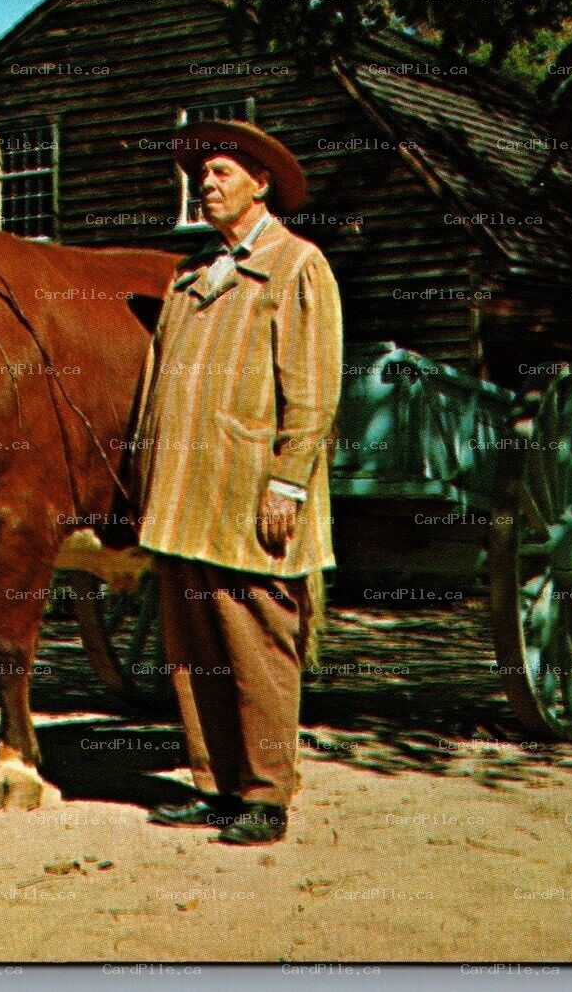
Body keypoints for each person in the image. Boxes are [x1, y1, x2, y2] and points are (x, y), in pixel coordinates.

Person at [133, 120, 343, 846]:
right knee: (192, 648)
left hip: (250, 492)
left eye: (222, 170)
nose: (207, 182)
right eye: (202, 173)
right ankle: (215, 785)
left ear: (261, 182)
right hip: (182, 497)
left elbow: (312, 390)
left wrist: (286, 482)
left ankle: (265, 793)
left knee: (257, 643)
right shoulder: (190, 276)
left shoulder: (295, 266)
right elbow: (153, 388)